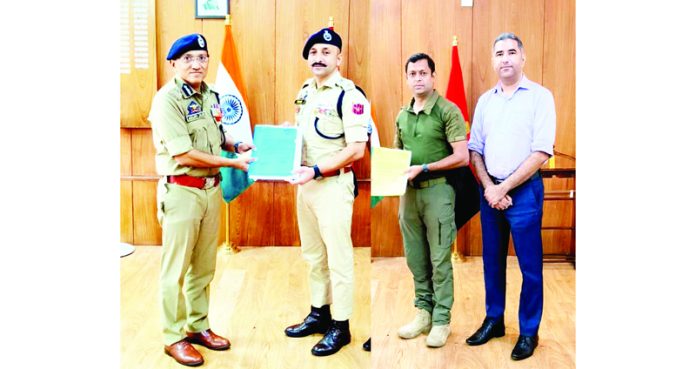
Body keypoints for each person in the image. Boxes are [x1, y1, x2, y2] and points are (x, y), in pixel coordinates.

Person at [148, 33, 254, 367]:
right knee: (175, 269)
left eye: (203, 57)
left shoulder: (210, 95)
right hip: (181, 191)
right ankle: (173, 336)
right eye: (189, 58)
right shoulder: (167, 100)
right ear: (174, 64)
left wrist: (236, 147)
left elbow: (216, 135)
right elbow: (185, 152)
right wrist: (232, 163)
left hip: (210, 192)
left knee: (204, 267)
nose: (198, 64)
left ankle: (198, 326)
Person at [465, 32, 556, 361]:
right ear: (493, 60)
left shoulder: (540, 97)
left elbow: (542, 150)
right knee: (492, 262)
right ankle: (494, 320)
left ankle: (528, 331)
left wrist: (503, 188)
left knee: (530, 267)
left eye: (511, 52)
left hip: (524, 193)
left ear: (523, 57)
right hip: (489, 193)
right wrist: (490, 187)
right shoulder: (485, 101)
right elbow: (475, 149)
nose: (505, 58)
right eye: (499, 53)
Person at [283, 27, 369, 357]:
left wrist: (317, 170)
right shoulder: (305, 90)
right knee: (313, 256)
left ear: (339, 58)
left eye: (326, 52)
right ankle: (319, 313)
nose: (319, 57)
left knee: (339, 259)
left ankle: (341, 325)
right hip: (304, 186)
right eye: (314, 52)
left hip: (332, 185)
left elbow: (357, 149)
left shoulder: (350, 95)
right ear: (308, 57)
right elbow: (304, 136)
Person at [394, 53, 469, 348]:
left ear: (433, 76)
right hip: (409, 194)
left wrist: (425, 168)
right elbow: (397, 156)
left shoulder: (447, 111)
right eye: (412, 73)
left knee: (439, 260)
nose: (418, 78)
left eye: (423, 72)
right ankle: (423, 313)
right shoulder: (402, 114)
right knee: (415, 258)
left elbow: (462, 156)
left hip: (438, 192)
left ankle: (441, 320)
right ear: (408, 78)